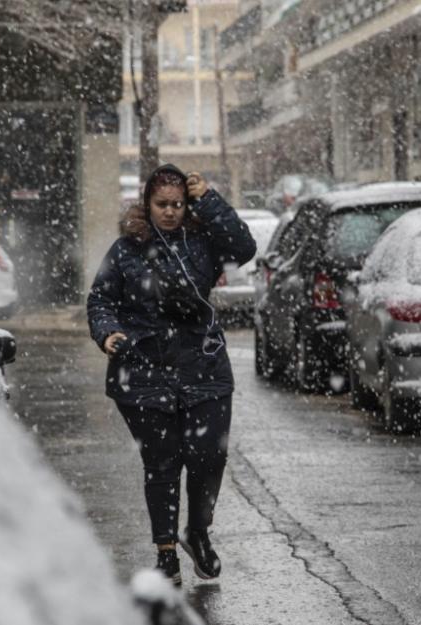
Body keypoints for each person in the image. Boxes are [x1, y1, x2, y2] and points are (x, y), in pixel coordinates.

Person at [87, 164, 256, 587]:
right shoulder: (127, 249)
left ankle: (197, 532)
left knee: (208, 456)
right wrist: (109, 334)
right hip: (145, 370)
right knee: (162, 464)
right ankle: (165, 552)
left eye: (178, 204)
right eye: (162, 204)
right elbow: (100, 299)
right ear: (147, 204)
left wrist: (209, 199)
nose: (170, 212)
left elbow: (244, 247)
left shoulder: (203, 238)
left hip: (204, 365)